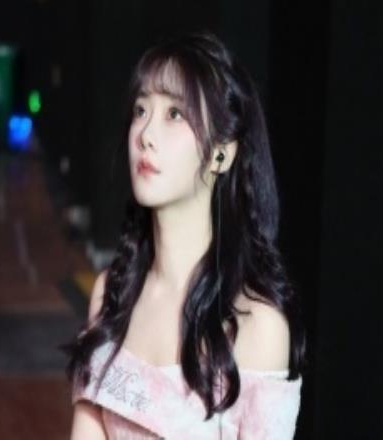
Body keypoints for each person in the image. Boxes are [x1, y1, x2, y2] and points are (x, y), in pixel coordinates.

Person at [62, 30, 306, 439]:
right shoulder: (112, 295)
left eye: (175, 114)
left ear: (221, 154)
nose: (145, 134)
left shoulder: (258, 325)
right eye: (141, 110)